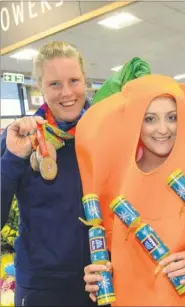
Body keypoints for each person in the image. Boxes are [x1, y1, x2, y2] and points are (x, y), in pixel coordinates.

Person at [77, 74, 185, 305]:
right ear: (135, 123)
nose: (163, 129)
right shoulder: (115, 186)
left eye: (172, 117)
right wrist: (99, 277)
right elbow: (114, 259)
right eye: (150, 119)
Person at [1, 41, 95, 306]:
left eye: (74, 80)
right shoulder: (22, 138)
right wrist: (12, 160)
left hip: (100, 280)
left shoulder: (102, 134)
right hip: (42, 287)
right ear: (39, 88)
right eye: (54, 84)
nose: (67, 93)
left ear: (85, 81)